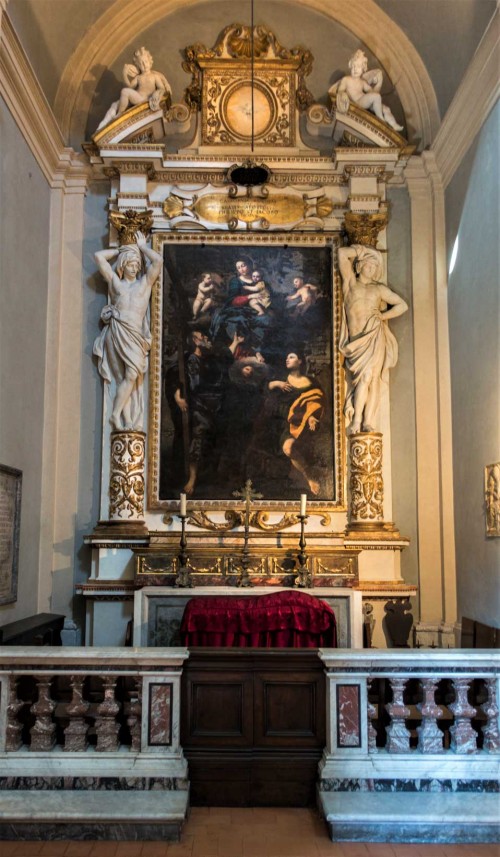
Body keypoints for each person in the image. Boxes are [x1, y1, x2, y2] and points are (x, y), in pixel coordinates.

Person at [93, 231, 162, 431]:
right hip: (116, 331)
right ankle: (124, 420)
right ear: (123, 265)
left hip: (135, 336)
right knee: (123, 376)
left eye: (136, 264)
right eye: (130, 264)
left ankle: (116, 414)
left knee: (132, 375)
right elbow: (99, 257)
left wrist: (141, 248)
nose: (134, 267)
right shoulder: (116, 284)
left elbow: (158, 261)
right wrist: (119, 249)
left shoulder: (144, 284)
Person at [338, 244, 408, 434]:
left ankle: (363, 422)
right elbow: (342, 253)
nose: (372, 269)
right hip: (356, 344)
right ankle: (360, 420)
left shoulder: (379, 289)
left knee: (372, 378)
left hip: (374, 336)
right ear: (359, 266)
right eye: (368, 265)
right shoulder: (350, 284)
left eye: (375, 267)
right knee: (366, 378)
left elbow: (402, 306)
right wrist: (368, 251)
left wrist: (383, 317)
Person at [174, 330, 243, 495]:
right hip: (202, 405)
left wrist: (235, 343)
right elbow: (189, 383)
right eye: (203, 337)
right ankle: (193, 477)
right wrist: (177, 394)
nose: (207, 339)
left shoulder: (213, 357)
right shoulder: (192, 359)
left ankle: (216, 474)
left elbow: (227, 360)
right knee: (198, 439)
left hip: (218, 403)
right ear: (196, 341)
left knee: (220, 439)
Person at [268, 352, 325, 495]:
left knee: (303, 448)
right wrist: (276, 383)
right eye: (286, 357)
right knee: (288, 448)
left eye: (292, 357)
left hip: (306, 423)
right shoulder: (281, 379)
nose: (287, 359)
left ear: (300, 361)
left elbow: (317, 401)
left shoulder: (311, 382)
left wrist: (311, 416)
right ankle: (309, 477)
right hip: (284, 423)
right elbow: (264, 390)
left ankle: (309, 475)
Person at [97, 47, 172, 130]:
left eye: (146, 62)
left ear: (150, 62)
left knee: (125, 92)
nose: (144, 65)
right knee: (125, 91)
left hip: (147, 99)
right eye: (141, 63)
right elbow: (130, 87)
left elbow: (161, 88)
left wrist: (156, 93)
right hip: (138, 98)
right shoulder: (138, 77)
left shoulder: (154, 76)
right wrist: (125, 74)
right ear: (138, 66)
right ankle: (120, 114)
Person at [329, 49, 403, 132]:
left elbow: (374, 93)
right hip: (358, 102)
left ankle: (394, 125)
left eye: (358, 67)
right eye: (353, 66)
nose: (355, 69)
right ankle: (381, 121)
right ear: (350, 66)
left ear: (363, 69)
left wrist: (379, 82)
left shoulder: (362, 82)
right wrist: (343, 94)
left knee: (386, 109)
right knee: (376, 97)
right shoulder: (346, 79)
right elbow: (340, 90)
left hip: (366, 100)